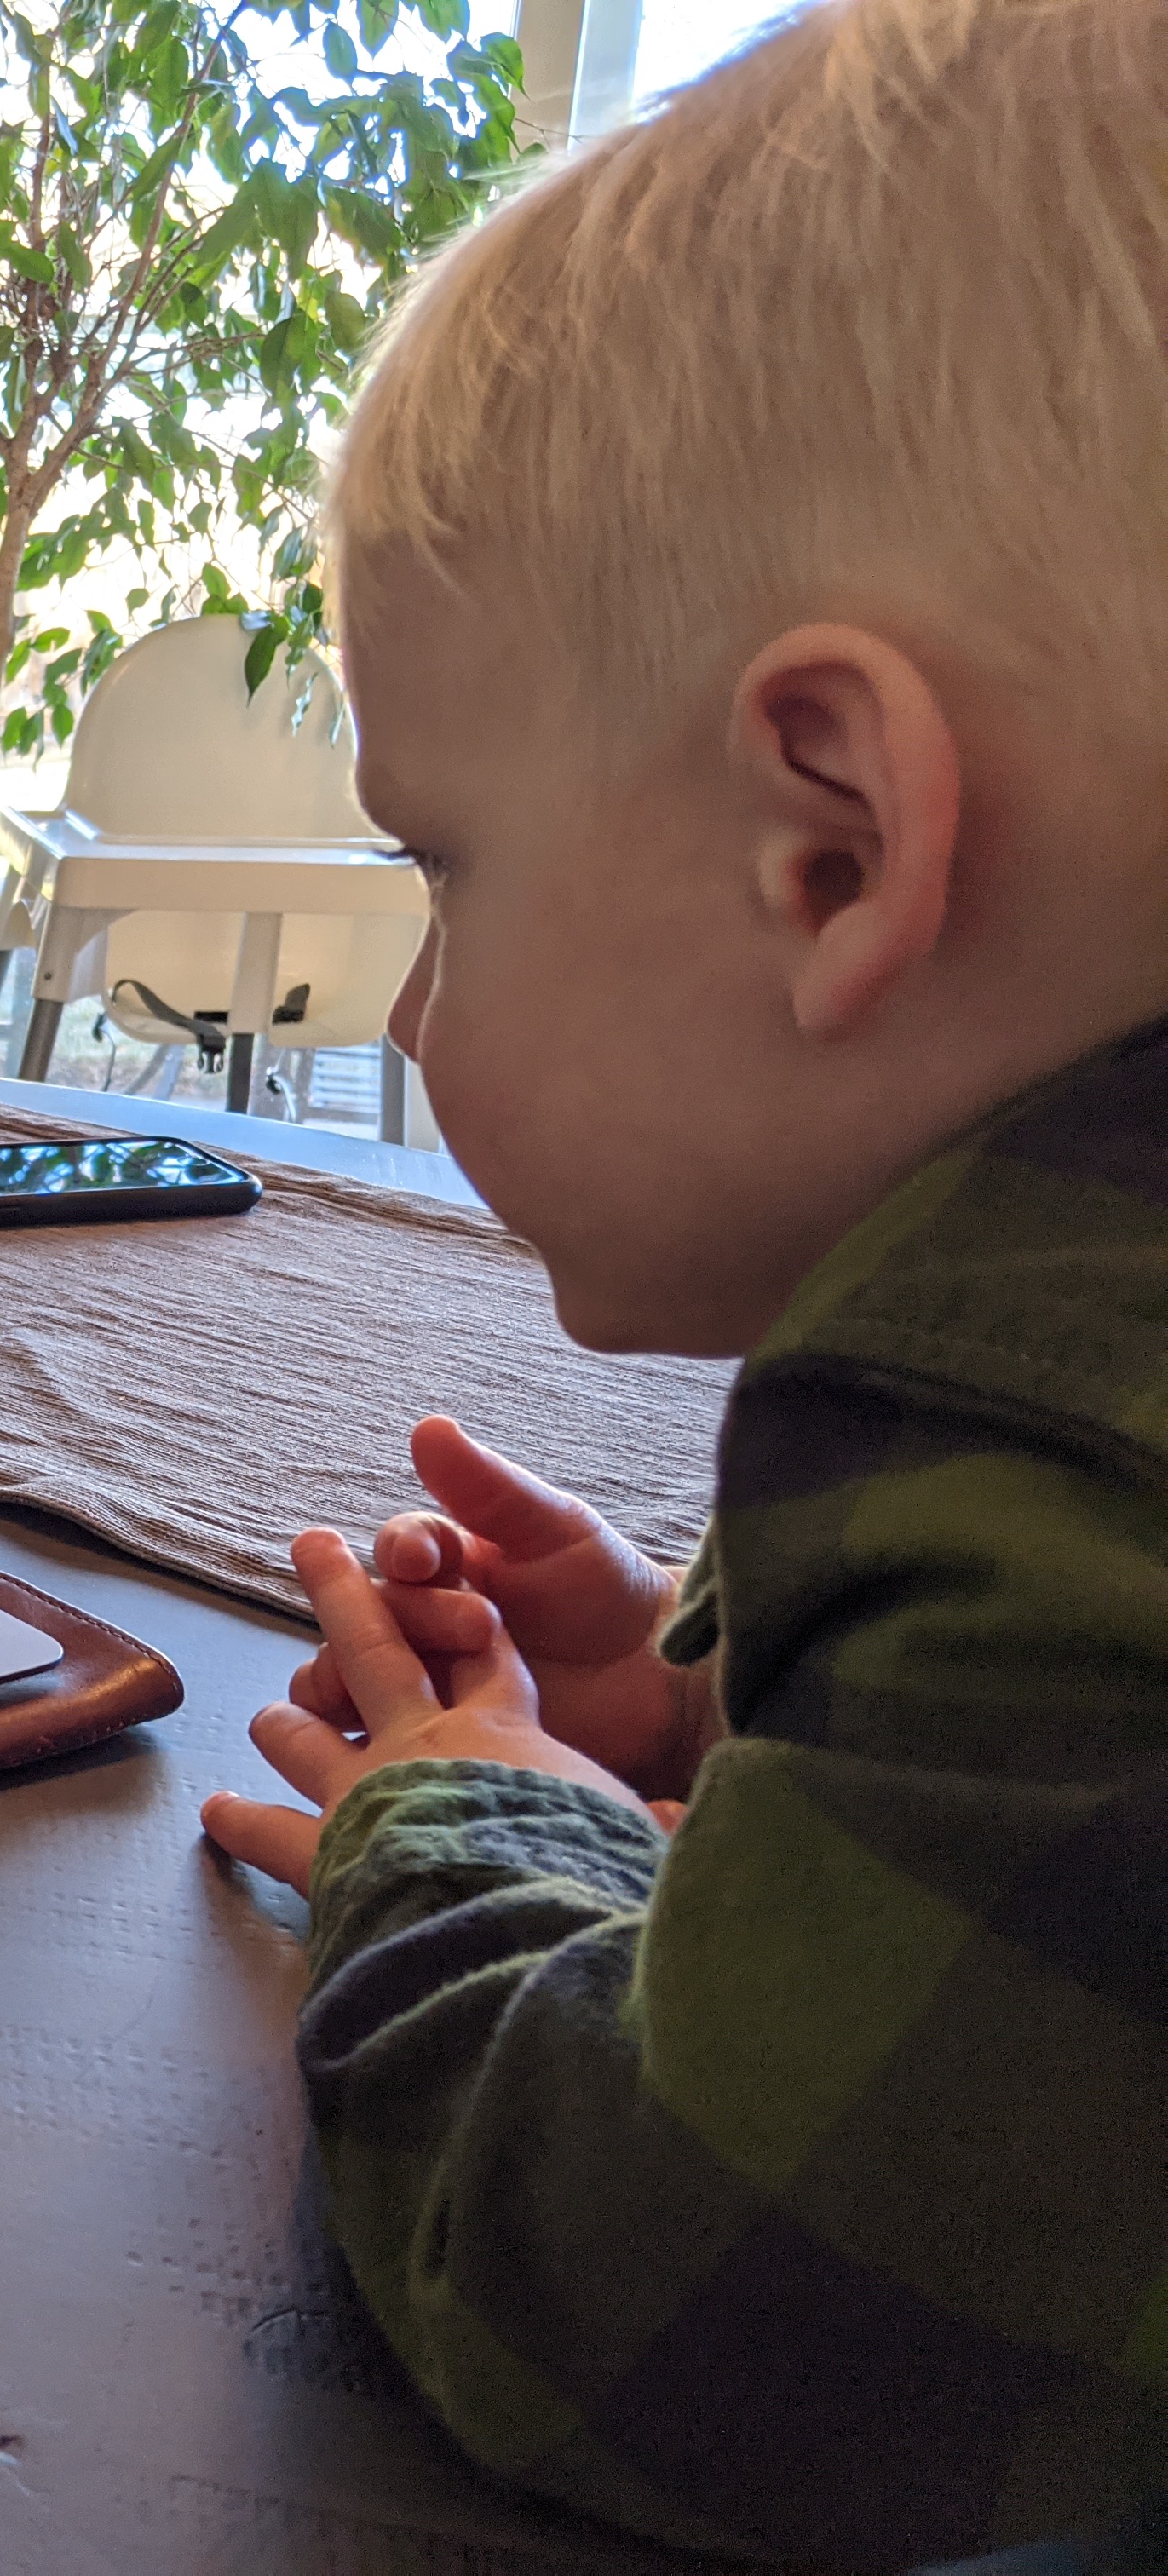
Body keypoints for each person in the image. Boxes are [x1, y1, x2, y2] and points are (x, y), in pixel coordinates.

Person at [189, 6, 1168, 2567]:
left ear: (831, 846)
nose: (409, 1014)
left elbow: (669, 2315)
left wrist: (473, 1824)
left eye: (446, 866)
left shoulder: (1054, 1443)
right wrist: (720, 1684)